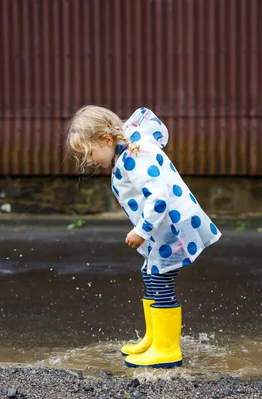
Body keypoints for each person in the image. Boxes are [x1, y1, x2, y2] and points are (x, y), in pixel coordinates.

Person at [66, 105, 221, 368]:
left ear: (106, 140)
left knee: (160, 279)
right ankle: (154, 338)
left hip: (172, 228)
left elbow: (159, 198)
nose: (90, 161)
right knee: (150, 274)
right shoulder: (127, 152)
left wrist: (141, 231)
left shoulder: (135, 157)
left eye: (90, 154)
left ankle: (167, 348)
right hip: (161, 230)